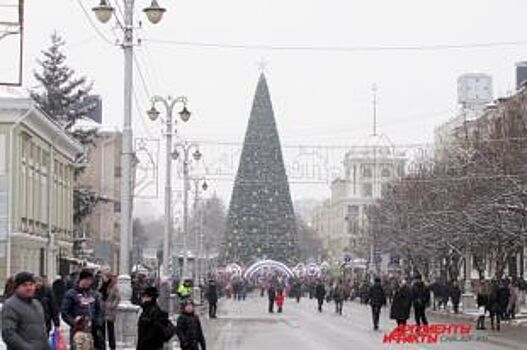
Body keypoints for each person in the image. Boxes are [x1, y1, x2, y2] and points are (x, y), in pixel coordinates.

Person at [1, 271, 49, 349]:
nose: (29, 288)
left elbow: (42, 332)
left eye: (31, 284)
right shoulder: (10, 305)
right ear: (17, 287)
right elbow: (8, 333)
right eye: (24, 285)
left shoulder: (37, 304)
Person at [61, 269, 103, 349]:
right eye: (86, 280)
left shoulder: (93, 294)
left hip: (91, 331)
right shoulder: (71, 294)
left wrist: (97, 322)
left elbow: (98, 310)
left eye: (90, 280)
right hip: (77, 331)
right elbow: (65, 312)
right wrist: (73, 322)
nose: (88, 282)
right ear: (81, 279)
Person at [100, 272, 120, 350]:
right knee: (102, 330)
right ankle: (102, 346)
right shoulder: (101, 285)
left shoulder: (113, 287)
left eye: (104, 277)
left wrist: (112, 306)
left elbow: (117, 297)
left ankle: (112, 346)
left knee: (110, 330)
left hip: (110, 311)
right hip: (102, 311)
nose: (103, 278)